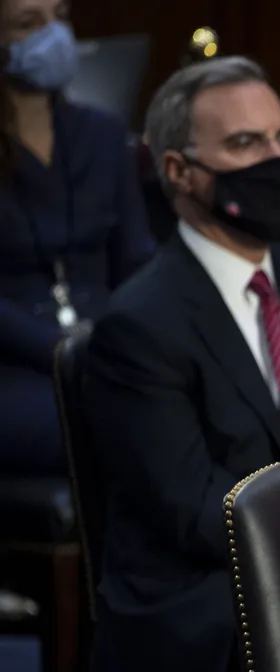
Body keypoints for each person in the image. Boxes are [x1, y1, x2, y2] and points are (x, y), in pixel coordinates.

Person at [86, 56, 280, 672]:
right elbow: (192, 511)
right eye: (244, 144)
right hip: (217, 590)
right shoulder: (139, 325)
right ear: (178, 171)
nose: (274, 162)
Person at [0, 0, 152, 476]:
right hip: (17, 365)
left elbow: (138, 258)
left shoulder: (101, 134)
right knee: (112, 424)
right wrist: (61, 352)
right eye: (29, 23)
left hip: (106, 347)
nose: (54, 33)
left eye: (60, 16)